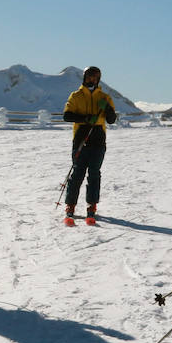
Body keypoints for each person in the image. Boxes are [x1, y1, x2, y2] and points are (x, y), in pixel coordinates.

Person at [62, 65, 118, 225]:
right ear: (84, 77)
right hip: (80, 139)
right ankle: (70, 206)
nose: (92, 80)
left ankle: (91, 207)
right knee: (77, 173)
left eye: (95, 77)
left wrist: (107, 109)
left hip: (98, 140)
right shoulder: (76, 96)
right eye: (89, 77)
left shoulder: (105, 97)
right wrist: (86, 119)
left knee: (94, 174)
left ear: (99, 79)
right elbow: (67, 116)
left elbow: (112, 119)